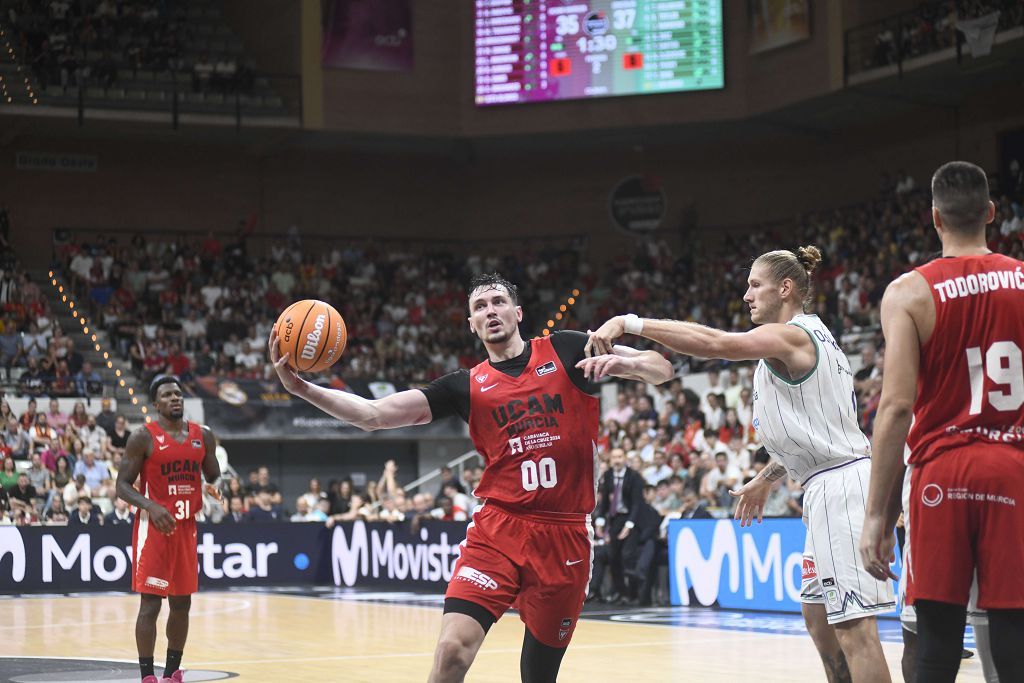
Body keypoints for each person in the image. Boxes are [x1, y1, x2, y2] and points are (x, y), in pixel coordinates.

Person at [270, 273, 672, 682]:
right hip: (498, 530)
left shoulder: (567, 348)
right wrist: (301, 388)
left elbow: (663, 367)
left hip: (565, 534)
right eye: (479, 307)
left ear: (517, 313)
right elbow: (374, 415)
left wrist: (629, 364)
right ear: (471, 324)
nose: (490, 311)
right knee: (451, 652)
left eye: (497, 302)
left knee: (538, 675)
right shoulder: (465, 386)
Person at [585, 246, 893, 683]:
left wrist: (630, 323)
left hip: (842, 489)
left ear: (785, 289)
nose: (746, 295)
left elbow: (716, 344)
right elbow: (815, 433)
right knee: (818, 620)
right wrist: (767, 477)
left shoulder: (791, 335)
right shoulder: (805, 337)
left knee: (854, 631)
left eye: (755, 285)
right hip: (822, 484)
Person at [860, 161, 1024, 682]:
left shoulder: (908, 292)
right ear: (992, 213)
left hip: (941, 475)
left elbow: (896, 408)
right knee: (1014, 634)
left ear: (934, 218)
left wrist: (877, 519)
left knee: (934, 640)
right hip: (1013, 470)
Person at [115, 375, 221, 683]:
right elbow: (122, 486)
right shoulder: (142, 437)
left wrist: (219, 485)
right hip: (154, 529)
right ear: (155, 404)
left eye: (178, 393)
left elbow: (213, 475)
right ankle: (147, 676)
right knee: (150, 604)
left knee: (182, 603)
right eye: (167, 395)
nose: (175, 398)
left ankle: (173, 672)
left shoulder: (204, 435)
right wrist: (150, 505)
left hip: (186, 529)